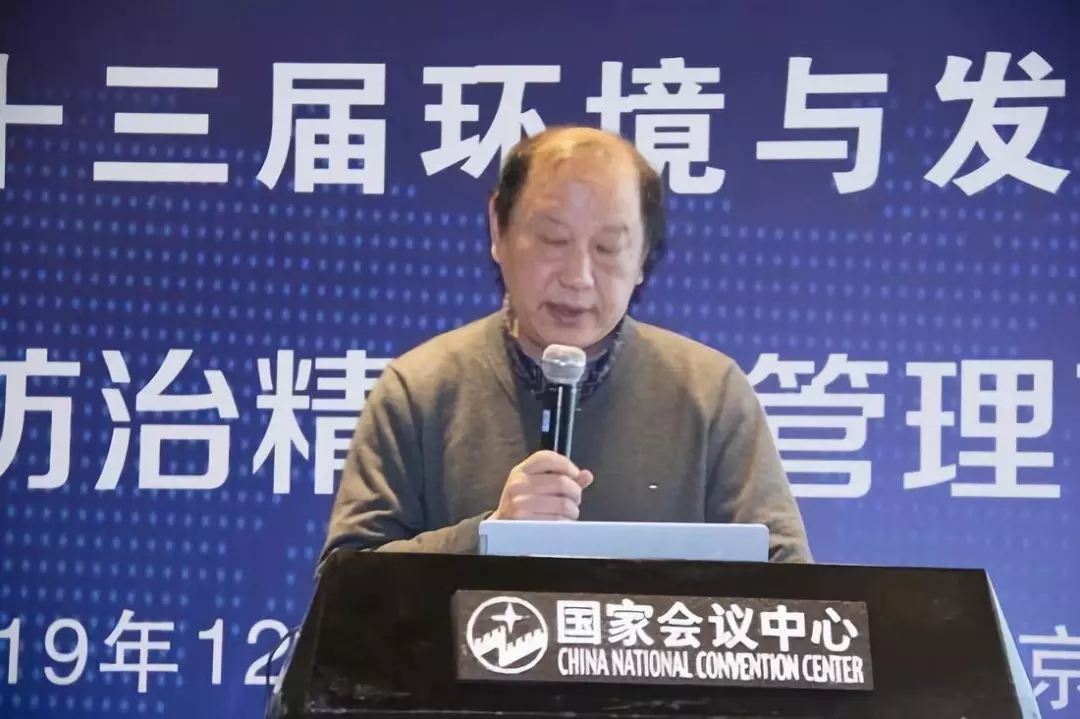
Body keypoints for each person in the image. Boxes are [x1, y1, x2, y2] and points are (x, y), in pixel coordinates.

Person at [319, 125, 812, 567]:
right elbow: (344, 588)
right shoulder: (419, 391)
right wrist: (488, 535)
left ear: (643, 257)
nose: (578, 277)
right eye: (553, 240)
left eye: (608, 248)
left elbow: (794, 589)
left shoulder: (711, 395)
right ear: (498, 229)